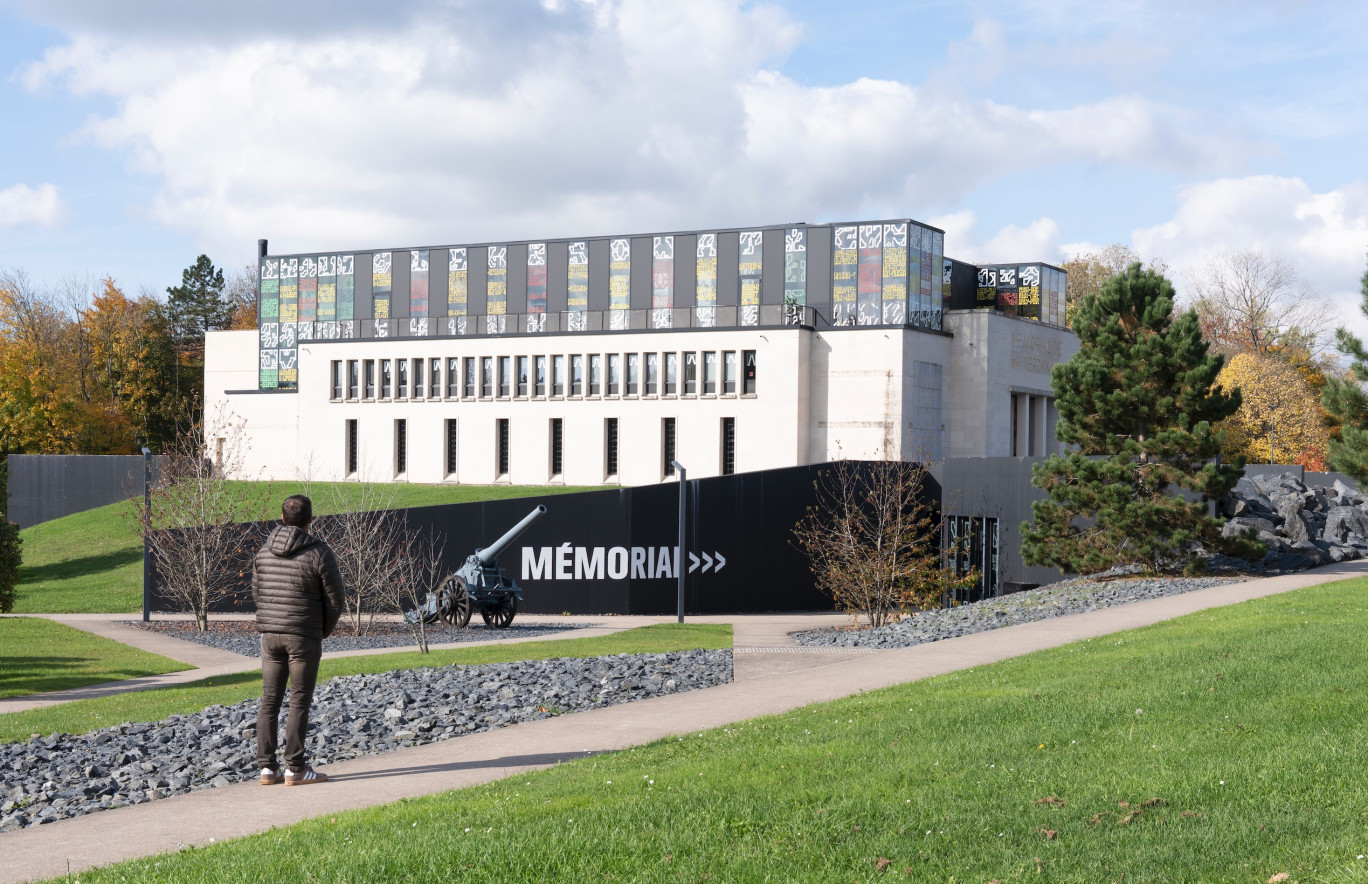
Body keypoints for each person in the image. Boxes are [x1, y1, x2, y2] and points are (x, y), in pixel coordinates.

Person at [253, 494, 344, 786]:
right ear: (310, 520)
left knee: (269, 700)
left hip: (270, 636)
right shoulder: (320, 553)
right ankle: (295, 768)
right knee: (299, 700)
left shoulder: (263, 552)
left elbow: (257, 593)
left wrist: (273, 621)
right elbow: (336, 601)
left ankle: (267, 769)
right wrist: (320, 630)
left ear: (282, 519)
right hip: (304, 636)